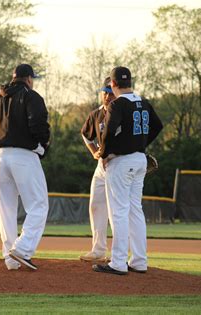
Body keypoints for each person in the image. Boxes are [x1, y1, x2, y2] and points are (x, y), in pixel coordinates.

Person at [93, 66, 163, 275]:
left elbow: (109, 132)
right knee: (135, 210)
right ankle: (139, 260)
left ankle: (118, 262)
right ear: (130, 82)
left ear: (113, 84)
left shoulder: (117, 105)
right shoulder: (143, 102)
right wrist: (140, 143)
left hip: (122, 163)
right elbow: (157, 126)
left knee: (119, 212)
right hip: (139, 160)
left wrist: (104, 154)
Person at [0, 64, 50, 271]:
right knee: (39, 205)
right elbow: (39, 124)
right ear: (28, 79)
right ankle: (22, 248)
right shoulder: (31, 96)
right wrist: (43, 145)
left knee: (7, 209)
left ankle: (10, 259)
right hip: (24, 154)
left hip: (0, 156)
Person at [79, 77, 115, 263]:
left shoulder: (121, 111)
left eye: (110, 91)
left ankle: (118, 254)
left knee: (117, 210)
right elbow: (86, 134)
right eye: (105, 91)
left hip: (119, 163)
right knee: (96, 204)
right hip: (101, 165)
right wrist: (94, 152)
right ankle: (98, 249)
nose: (107, 95)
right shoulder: (97, 114)